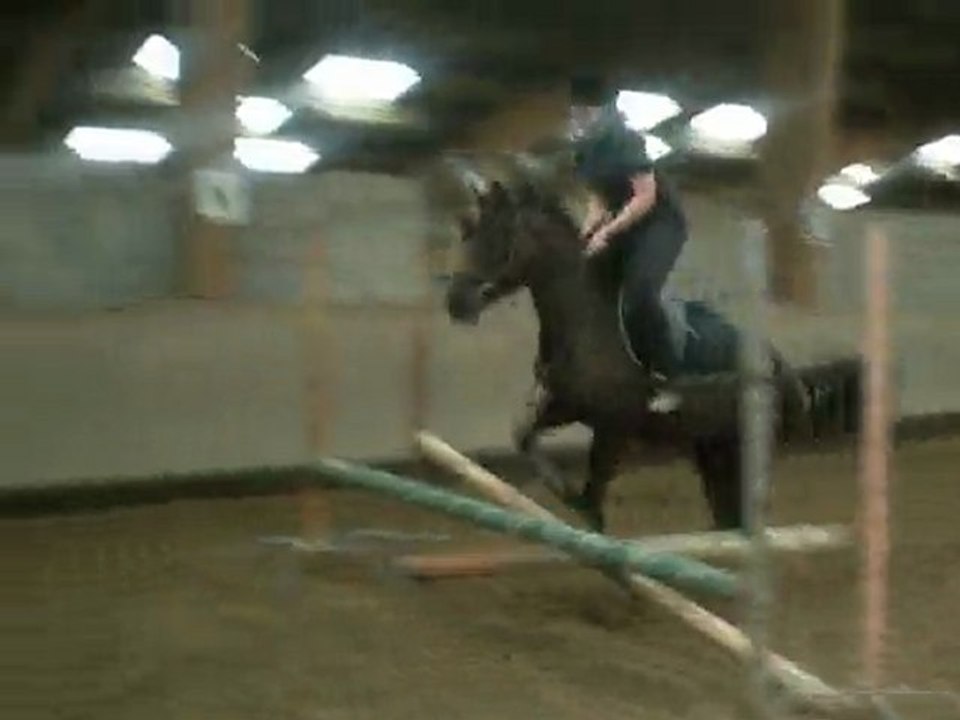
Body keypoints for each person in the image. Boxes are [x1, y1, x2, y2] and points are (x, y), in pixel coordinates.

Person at [565, 73, 689, 412]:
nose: (577, 117)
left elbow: (645, 197)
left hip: (659, 224)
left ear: (600, 110)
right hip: (625, 222)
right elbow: (598, 201)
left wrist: (607, 232)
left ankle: (667, 376)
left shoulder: (627, 140)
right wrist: (586, 235)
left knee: (640, 293)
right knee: (586, 280)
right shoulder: (584, 150)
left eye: (583, 111)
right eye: (575, 111)